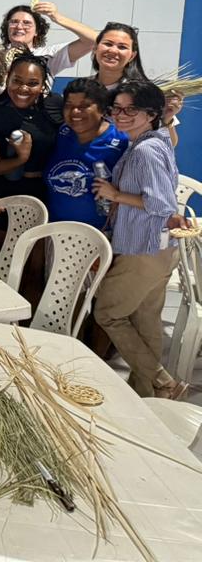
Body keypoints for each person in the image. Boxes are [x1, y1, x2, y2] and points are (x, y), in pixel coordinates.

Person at [93, 81, 191, 399]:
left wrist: (115, 194)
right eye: (116, 109)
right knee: (146, 317)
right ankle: (146, 394)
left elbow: (161, 204)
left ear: (150, 113)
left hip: (142, 248)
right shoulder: (156, 139)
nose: (121, 116)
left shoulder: (145, 151)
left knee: (107, 312)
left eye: (130, 109)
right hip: (162, 249)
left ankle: (162, 381)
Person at [0, 54, 61, 206]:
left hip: (51, 194)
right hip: (7, 194)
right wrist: (20, 159)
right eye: (17, 81)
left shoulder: (56, 105)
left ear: (43, 85)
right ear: (8, 79)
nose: (23, 88)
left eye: (33, 83)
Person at [45, 78, 128, 229]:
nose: (75, 112)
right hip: (55, 232)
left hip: (100, 236)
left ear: (102, 109)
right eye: (69, 106)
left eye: (84, 106)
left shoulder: (122, 141)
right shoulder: (62, 133)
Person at [0, 2, 95, 78]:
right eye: (14, 22)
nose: (19, 26)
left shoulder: (47, 55)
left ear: (37, 31)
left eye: (26, 23)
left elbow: (93, 40)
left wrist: (57, 17)